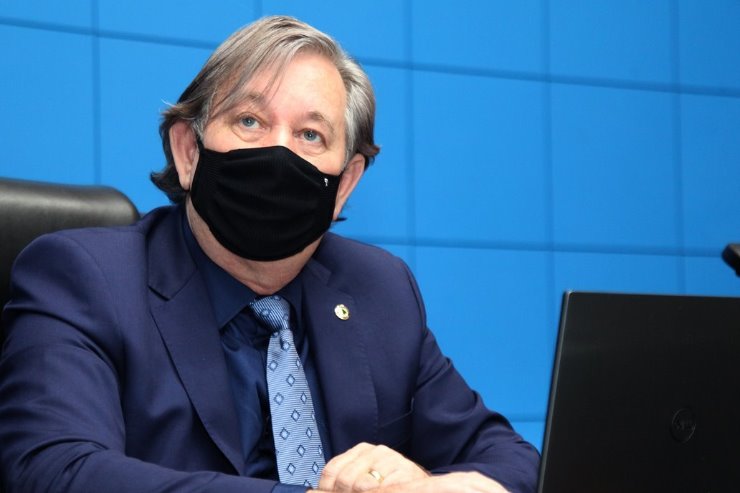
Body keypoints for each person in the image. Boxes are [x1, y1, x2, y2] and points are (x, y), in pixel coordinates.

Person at [0, 15, 539, 493]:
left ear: (344, 184)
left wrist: (428, 486)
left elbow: (511, 461)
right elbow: (53, 470)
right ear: (188, 152)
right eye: (250, 122)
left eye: (310, 135)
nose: (279, 153)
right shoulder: (84, 277)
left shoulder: (380, 290)